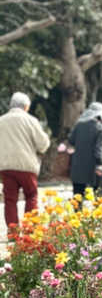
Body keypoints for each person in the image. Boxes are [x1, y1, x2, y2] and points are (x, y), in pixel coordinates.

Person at [0, 92, 50, 231]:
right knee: (31, 195)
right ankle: (29, 230)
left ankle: (13, 232)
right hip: (26, 165)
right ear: (26, 106)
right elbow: (43, 144)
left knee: (10, 199)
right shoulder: (30, 120)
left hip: (6, 166)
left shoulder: (1, 120)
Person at [69, 102, 102, 199]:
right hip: (93, 166)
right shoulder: (101, 128)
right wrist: (100, 164)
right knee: (98, 193)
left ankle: (77, 214)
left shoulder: (79, 125)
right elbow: (99, 149)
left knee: (78, 195)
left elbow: (71, 141)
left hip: (78, 165)